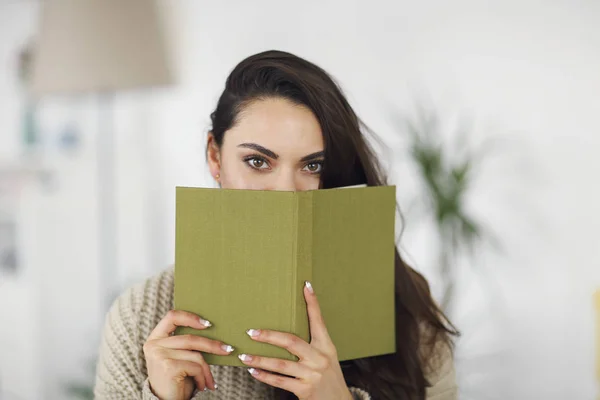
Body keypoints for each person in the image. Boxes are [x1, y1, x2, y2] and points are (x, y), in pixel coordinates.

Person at [94, 50, 458, 400]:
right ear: (214, 156)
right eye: (257, 161)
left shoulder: (407, 309)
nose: (286, 191)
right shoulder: (141, 317)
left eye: (312, 166)